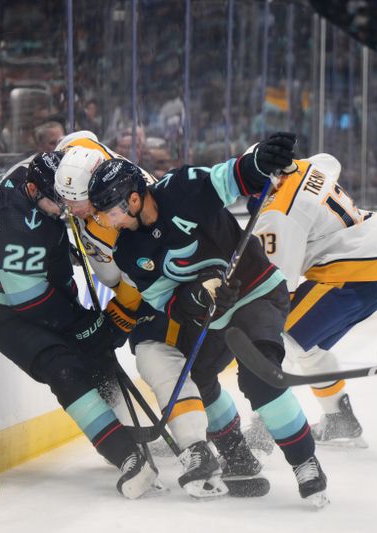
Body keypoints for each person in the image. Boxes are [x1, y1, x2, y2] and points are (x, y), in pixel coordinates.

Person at [87, 132, 330, 507]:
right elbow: (165, 300)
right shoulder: (129, 251)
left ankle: (305, 462)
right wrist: (197, 299)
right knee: (195, 379)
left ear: (134, 198)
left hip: (257, 290)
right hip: (213, 317)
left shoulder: (180, 190)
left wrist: (261, 160)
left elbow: (232, 177)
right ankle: (237, 455)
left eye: (112, 211)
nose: (108, 220)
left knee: (259, 376)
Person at [52, 131, 233, 499]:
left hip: (167, 290)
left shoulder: (121, 203)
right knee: (172, 364)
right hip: (147, 288)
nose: (75, 209)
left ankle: (206, 445)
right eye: (67, 201)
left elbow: (144, 268)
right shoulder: (82, 170)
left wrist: (122, 312)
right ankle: (231, 440)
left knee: (157, 357)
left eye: (81, 202)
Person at [0, 152, 159, 499]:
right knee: (64, 370)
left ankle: (125, 426)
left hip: (49, 295)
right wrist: (84, 325)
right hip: (12, 314)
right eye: (54, 203)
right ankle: (125, 454)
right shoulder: (15, 223)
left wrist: (86, 327)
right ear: (32, 190)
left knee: (99, 358)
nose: (62, 209)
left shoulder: (38, 176)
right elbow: (29, 302)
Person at [247, 153, 377, 447]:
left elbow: (278, 286)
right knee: (309, 347)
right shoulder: (303, 167)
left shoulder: (277, 213)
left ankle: (266, 427)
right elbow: (330, 161)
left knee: (278, 341)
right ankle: (339, 418)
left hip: (352, 274)